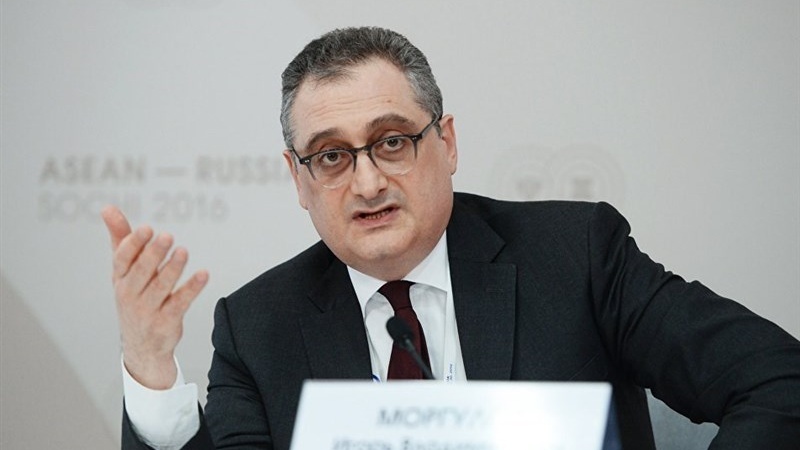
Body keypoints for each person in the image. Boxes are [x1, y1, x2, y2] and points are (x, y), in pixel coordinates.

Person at [103, 27, 800, 450]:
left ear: (448, 143)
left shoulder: (576, 255)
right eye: (332, 156)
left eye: (392, 141)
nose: (368, 182)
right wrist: (152, 370)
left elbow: (777, 381)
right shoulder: (259, 326)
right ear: (299, 179)